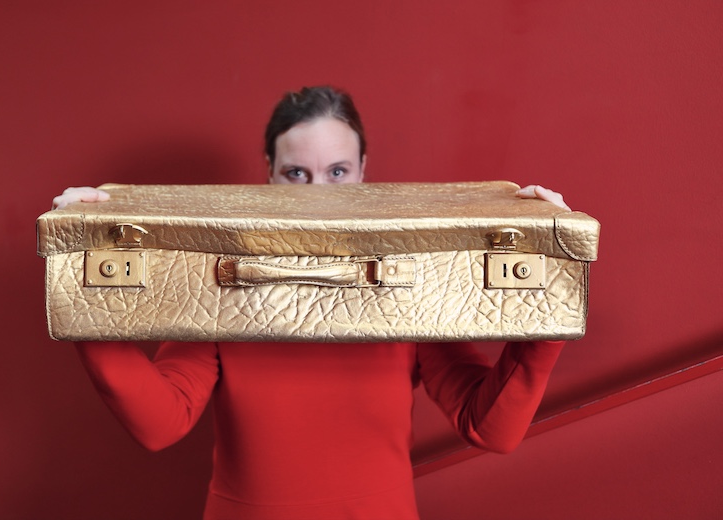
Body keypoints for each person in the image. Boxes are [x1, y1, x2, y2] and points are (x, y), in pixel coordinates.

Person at [54, 86, 570, 520]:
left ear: (364, 170)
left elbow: (490, 427)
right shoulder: (220, 277)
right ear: (269, 174)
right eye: (297, 173)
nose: (318, 193)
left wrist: (554, 283)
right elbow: (160, 422)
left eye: (338, 172)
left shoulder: (411, 280)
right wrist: (82, 285)